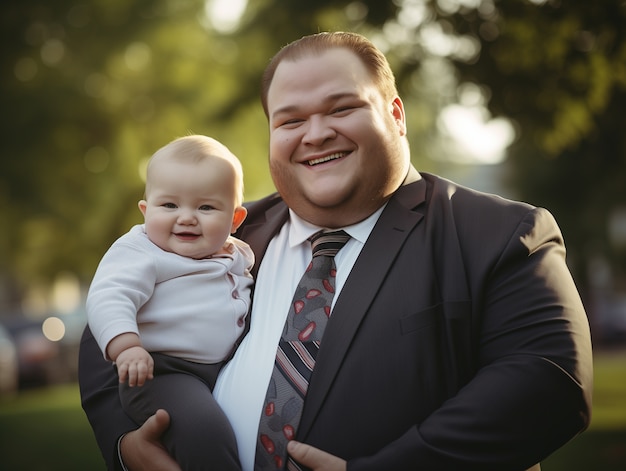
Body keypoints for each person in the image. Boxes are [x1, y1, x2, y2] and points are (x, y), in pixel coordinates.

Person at [79, 32, 593, 471]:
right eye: (290, 120)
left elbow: (547, 384)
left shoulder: (498, 234)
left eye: (342, 107)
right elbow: (114, 319)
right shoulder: (224, 232)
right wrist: (127, 448)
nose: (316, 133)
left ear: (395, 114)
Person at [85, 135, 253, 470]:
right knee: (205, 431)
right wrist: (127, 347)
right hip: (161, 372)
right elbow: (109, 296)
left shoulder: (238, 254)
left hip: (220, 372)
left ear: (234, 220)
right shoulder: (140, 250)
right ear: (146, 212)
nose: (187, 217)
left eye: (206, 207)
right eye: (170, 206)